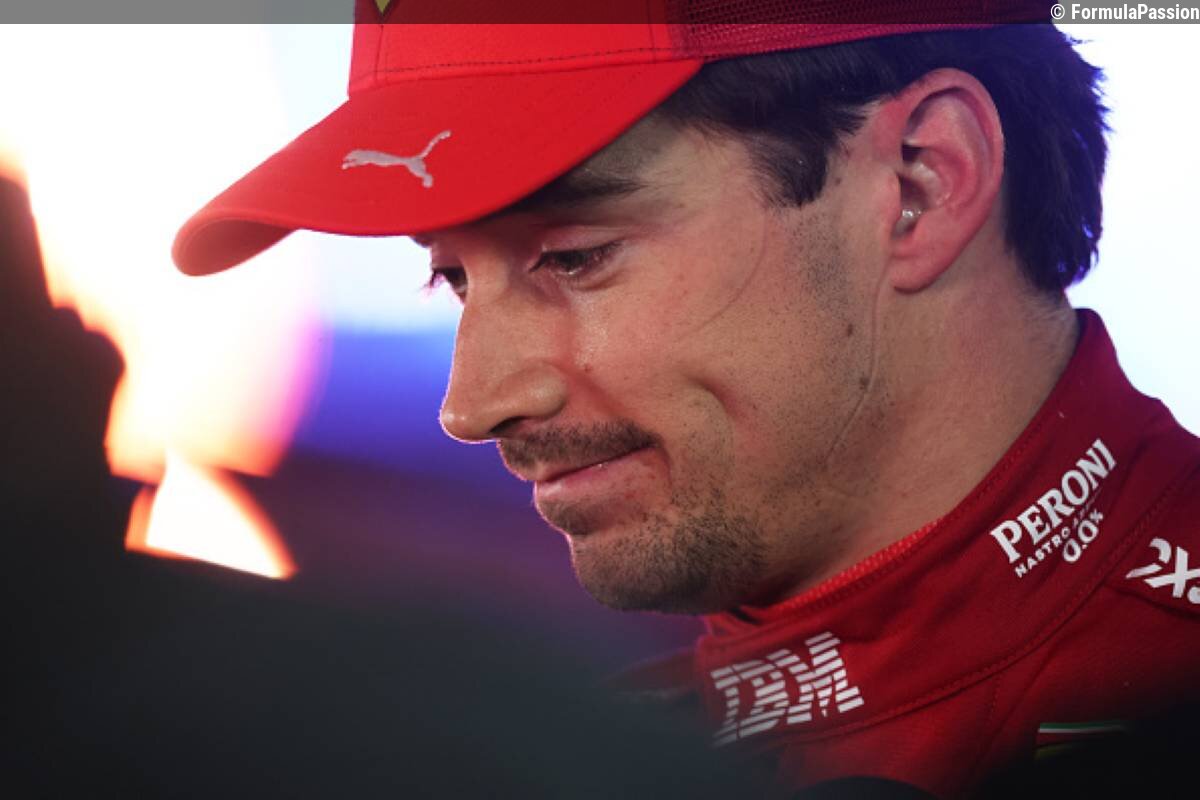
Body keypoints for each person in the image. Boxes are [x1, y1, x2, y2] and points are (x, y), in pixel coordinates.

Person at [172, 1, 1200, 796]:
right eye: (451, 276)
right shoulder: (563, 759)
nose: (474, 403)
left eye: (573, 256)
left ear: (922, 183)